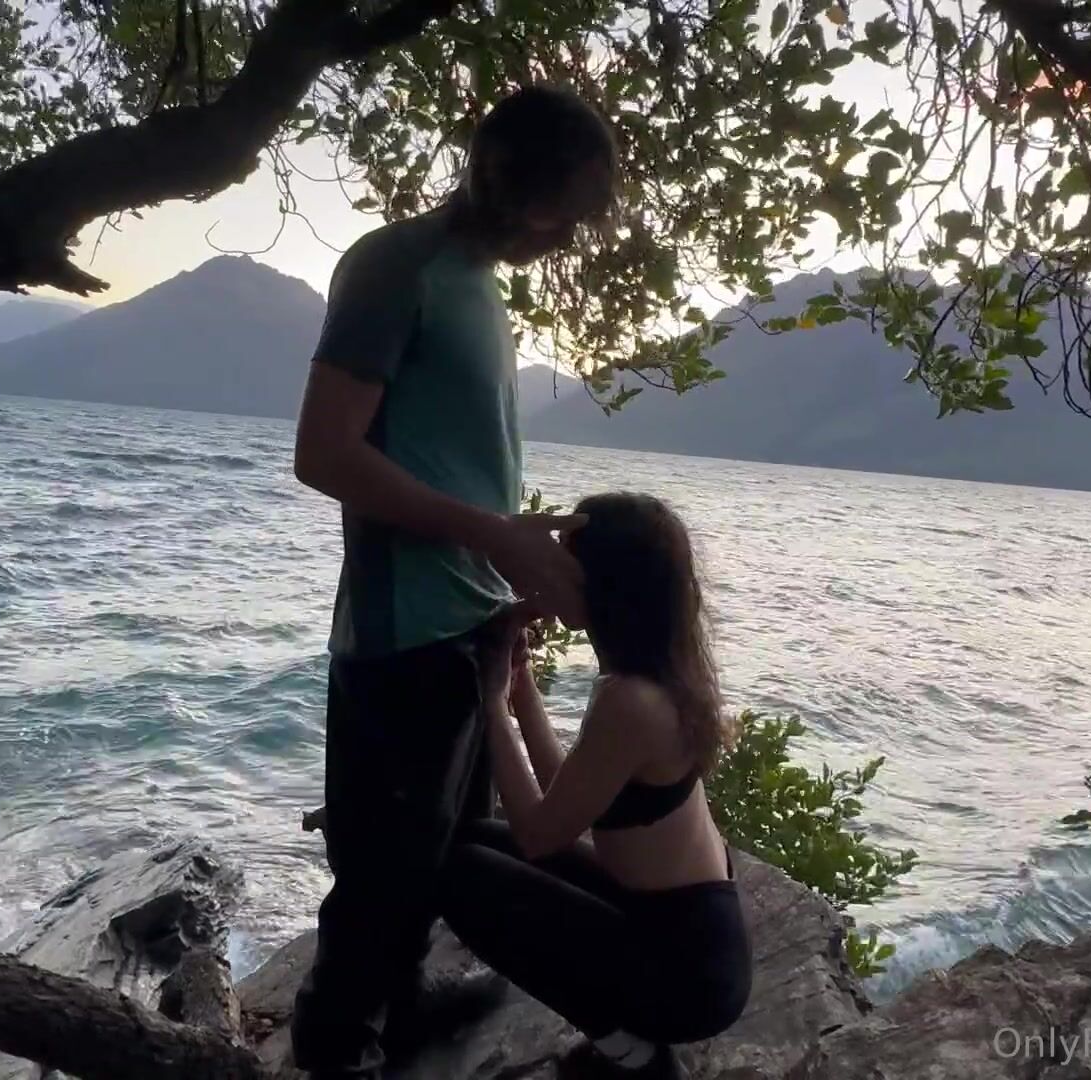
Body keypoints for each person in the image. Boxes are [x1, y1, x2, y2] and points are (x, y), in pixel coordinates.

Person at [287, 85, 620, 1080]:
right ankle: (332, 1046)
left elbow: (455, 465)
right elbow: (324, 454)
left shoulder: (479, 284)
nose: (568, 234)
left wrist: (503, 573)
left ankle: (402, 1006)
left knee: (447, 854)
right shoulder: (396, 267)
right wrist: (493, 537)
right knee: (383, 870)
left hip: (468, 618)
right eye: (562, 208)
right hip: (402, 631)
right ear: (503, 179)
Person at [437, 492, 752, 1079]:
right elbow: (564, 801)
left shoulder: (633, 702)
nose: (546, 566)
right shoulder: (646, 678)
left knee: (459, 875)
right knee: (473, 839)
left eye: (563, 557)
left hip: (687, 973)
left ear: (602, 582)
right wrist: (520, 686)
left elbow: (538, 835)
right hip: (674, 929)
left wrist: (490, 700)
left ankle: (635, 1056)